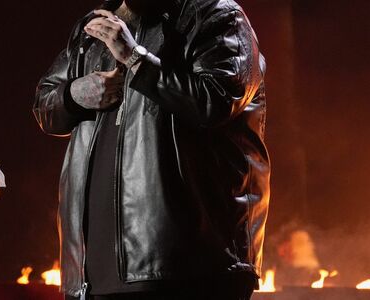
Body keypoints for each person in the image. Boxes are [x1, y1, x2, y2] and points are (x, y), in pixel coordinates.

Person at [33, 0, 269, 299]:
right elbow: (45, 107)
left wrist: (135, 58)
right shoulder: (93, 25)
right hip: (93, 277)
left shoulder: (216, 14)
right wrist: (74, 95)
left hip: (188, 271)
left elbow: (216, 101)